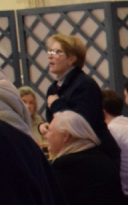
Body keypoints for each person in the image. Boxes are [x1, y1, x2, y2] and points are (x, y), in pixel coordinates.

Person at [44, 33, 121, 164]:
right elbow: (53, 120)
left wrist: (56, 104)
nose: (50, 55)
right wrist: (45, 127)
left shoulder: (85, 84)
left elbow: (82, 123)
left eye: (57, 52)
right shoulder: (53, 88)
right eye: (50, 51)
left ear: (71, 59)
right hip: (70, 154)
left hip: (96, 156)